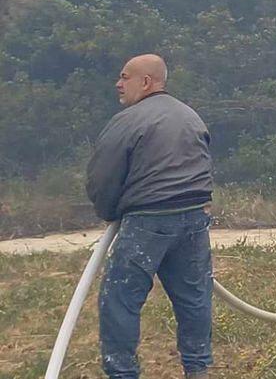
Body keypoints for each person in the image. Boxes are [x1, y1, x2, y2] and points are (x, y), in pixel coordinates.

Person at [86, 54, 214, 379]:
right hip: (194, 220)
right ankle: (198, 370)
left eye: (124, 76)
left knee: (119, 299)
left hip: (148, 221)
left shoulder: (129, 120)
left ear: (146, 82)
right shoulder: (191, 116)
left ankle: (122, 373)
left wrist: (109, 212)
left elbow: (102, 177)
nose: (118, 83)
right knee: (194, 298)